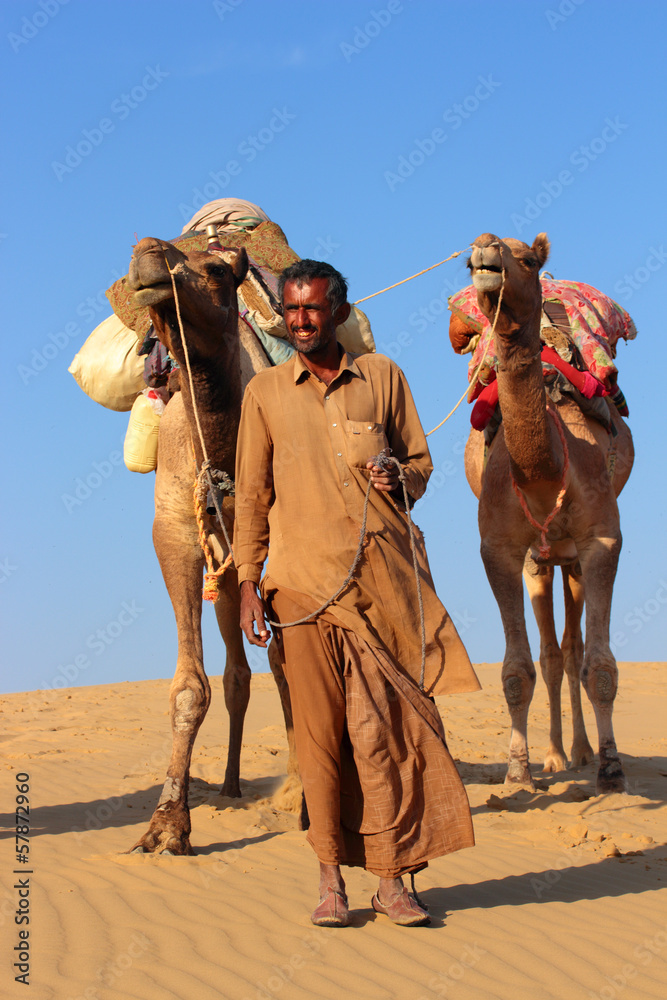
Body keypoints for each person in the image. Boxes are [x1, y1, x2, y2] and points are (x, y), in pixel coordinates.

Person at [234, 260, 479, 927]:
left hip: (385, 589)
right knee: (319, 740)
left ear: (339, 311)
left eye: (313, 309)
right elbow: (252, 496)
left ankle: (394, 879)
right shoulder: (264, 394)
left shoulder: (384, 378)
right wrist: (248, 585)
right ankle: (328, 880)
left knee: (388, 735)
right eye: (291, 311)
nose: (301, 321)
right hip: (300, 590)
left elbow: (421, 468)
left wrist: (395, 472)